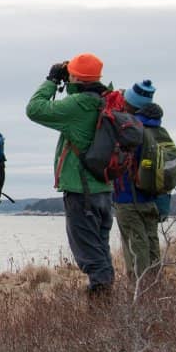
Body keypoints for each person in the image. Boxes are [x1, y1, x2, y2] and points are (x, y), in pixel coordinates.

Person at [26, 53, 115, 296]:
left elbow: (34, 109)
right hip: (105, 189)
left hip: (81, 190)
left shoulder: (79, 105)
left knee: (90, 255)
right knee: (100, 249)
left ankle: (102, 307)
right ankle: (112, 308)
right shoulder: (104, 100)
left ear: (75, 77)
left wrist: (52, 80)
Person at [114, 80, 165, 279]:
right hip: (152, 199)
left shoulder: (132, 131)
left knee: (135, 248)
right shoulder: (158, 130)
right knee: (152, 244)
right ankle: (155, 287)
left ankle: (138, 293)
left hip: (128, 199)